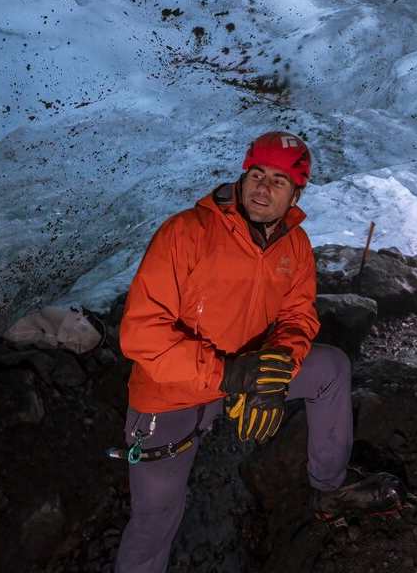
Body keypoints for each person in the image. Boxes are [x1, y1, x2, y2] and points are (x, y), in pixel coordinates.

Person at [113, 131, 401, 573]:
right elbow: (140, 334)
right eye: (257, 174)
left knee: (330, 368)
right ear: (243, 176)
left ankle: (330, 488)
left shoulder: (296, 246)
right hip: (172, 390)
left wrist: (277, 367)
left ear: (296, 193)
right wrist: (233, 375)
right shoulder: (187, 232)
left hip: (248, 372)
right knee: (155, 520)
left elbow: (298, 317)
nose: (264, 188)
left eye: (279, 181)